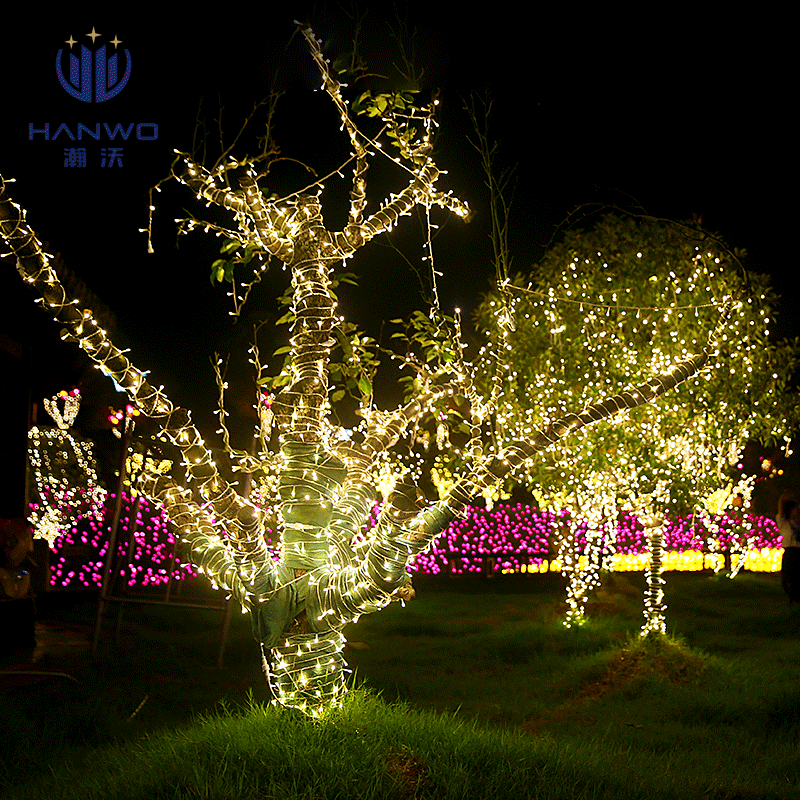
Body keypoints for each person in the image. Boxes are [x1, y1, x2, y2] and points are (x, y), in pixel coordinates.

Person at [777, 493, 800, 605]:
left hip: (798, 551)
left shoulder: (798, 523)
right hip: (790, 551)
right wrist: (783, 498)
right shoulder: (784, 523)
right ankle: (792, 598)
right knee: (789, 577)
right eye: (795, 509)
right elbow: (781, 508)